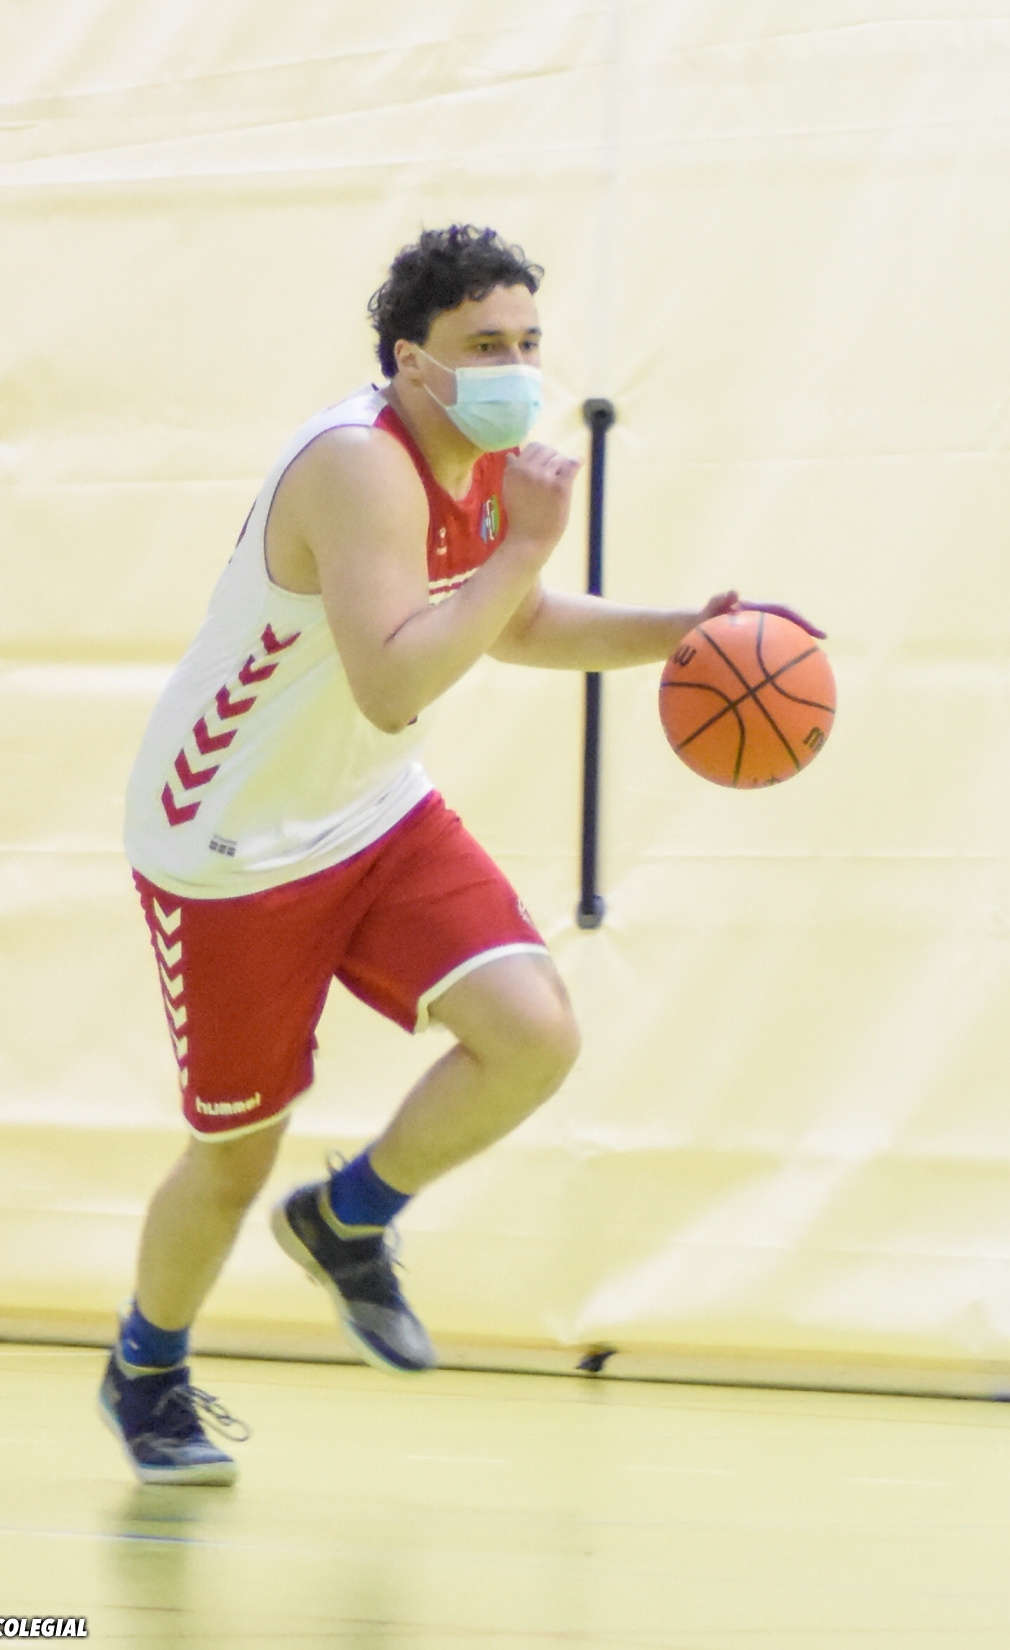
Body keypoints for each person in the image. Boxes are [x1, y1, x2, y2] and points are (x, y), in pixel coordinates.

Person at [99, 224, 822, 1484]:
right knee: (234, 1155)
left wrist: (682, 631)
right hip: (231, 842)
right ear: (409, 361)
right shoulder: (355, 465)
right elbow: (392, 682)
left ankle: (347, 1221)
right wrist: (525, 546)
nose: (514, 368)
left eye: (527, 342)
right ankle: (145, 1367)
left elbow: (511, 621)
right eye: (483, 345)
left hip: (371, 812)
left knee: (532, 1033)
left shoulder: (482, 462)